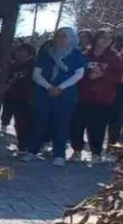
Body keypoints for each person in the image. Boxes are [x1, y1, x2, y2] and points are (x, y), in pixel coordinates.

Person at [27, 28, 88, 166]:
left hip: (65, 94)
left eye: (63, 37)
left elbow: (78, 74)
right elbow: (36, 74)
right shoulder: (46, 53)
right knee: (38, 122)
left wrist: (61, 88)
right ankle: (32, 150)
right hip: (43, 93)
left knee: (61, 124)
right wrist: (49, 87)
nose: (59, 39)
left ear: (71, 39)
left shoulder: (76, 55)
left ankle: (59, 154)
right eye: (58, 36)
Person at [71, 30, 122, 163]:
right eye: (102, 37)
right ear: (96, 38)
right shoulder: (86, 54)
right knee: (77, 124)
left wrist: (103, 75)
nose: (105, 40)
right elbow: (76, 72)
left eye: (109, 38)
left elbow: (118, 77)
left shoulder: (114, 57)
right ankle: (77, 151)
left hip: (102, 98)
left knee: (97, 127)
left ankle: (96, 153)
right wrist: (88, 76)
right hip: (82, 96)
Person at [4, 43, 36, 155]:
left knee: (29, 122)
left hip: (31, 97)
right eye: (17, 50)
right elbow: (9, 80)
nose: (18, 53)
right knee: (19, 122)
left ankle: (30, 146)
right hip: (16, 96)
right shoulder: (14, 66)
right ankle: (22, 146)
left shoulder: (33, 65)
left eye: (21, 50)